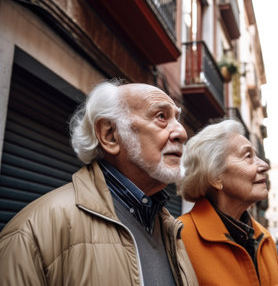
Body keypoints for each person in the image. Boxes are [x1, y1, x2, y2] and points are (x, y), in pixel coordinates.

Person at [0, 81, 199, 286]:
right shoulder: (33, 231)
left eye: (177, 118)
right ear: (110, 135)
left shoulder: (172, 230)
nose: (182, 133)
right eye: (161, 117)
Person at [177, 119, 278, 286]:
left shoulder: (264, 238)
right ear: (215, 176)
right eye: (248, 156)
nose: (264, 165)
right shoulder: (180, 238)